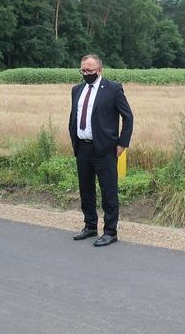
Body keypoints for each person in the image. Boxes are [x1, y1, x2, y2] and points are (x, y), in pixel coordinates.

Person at [68, 54, 133, 247]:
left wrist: (122, 144)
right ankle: (90, 226)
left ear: (100, 70)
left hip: (105, 149)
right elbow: (74, 115)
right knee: (85, 189)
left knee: (108, 191)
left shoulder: (113, 89)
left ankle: (110, 231)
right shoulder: (76, 90)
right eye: (83, 70)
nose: (86, 74)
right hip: (83, 148)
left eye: (90, 70)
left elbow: (128, 117)